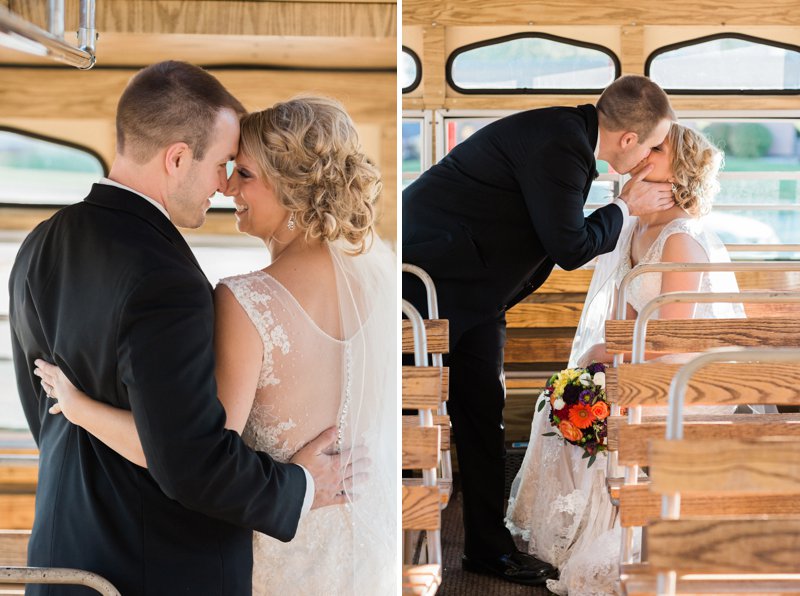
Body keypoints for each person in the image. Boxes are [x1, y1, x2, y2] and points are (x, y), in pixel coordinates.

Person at [10, 62, 358, 595]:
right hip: (155, 569)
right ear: (176, 158)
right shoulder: (164, 276)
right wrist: (299, 486)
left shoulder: (39, 243)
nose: (223, 185)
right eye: (222, 163)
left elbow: (46, 416)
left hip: (60, 553)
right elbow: (191, 461)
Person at [402, 74, 676, 585]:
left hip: (477, 295)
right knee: (399, 414)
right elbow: (570, 248)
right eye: (655, 145)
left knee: (483, 416)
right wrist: (623, 208)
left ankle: (487, 550)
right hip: (423, 287)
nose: (652, 157)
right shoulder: (562, 145)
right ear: (629, 141)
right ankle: (390, 540)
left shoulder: (568, 139)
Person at [506, 123, 742, 595]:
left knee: (602, 410)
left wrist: (605, 353)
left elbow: (672, 333)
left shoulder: (679, 237)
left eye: (658, 149)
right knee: (560, 405)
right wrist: (600, 360)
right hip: (650, 364)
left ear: (680, 169)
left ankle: (613, 537)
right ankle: (572, 535)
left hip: (688, 377)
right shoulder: (637, 227)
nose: (645, 153)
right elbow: (628, 316)